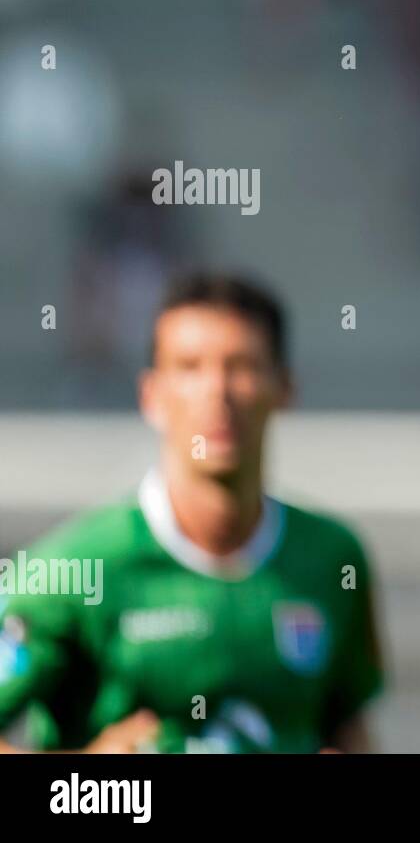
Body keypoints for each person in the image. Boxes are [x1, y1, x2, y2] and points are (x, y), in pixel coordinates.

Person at [0, 274, 383, 752]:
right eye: (189, 367)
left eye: (241, 366)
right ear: (151, 396)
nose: (216, 392)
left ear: (285, 387)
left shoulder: (332, 559)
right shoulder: (66, 569)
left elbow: (347, 729)